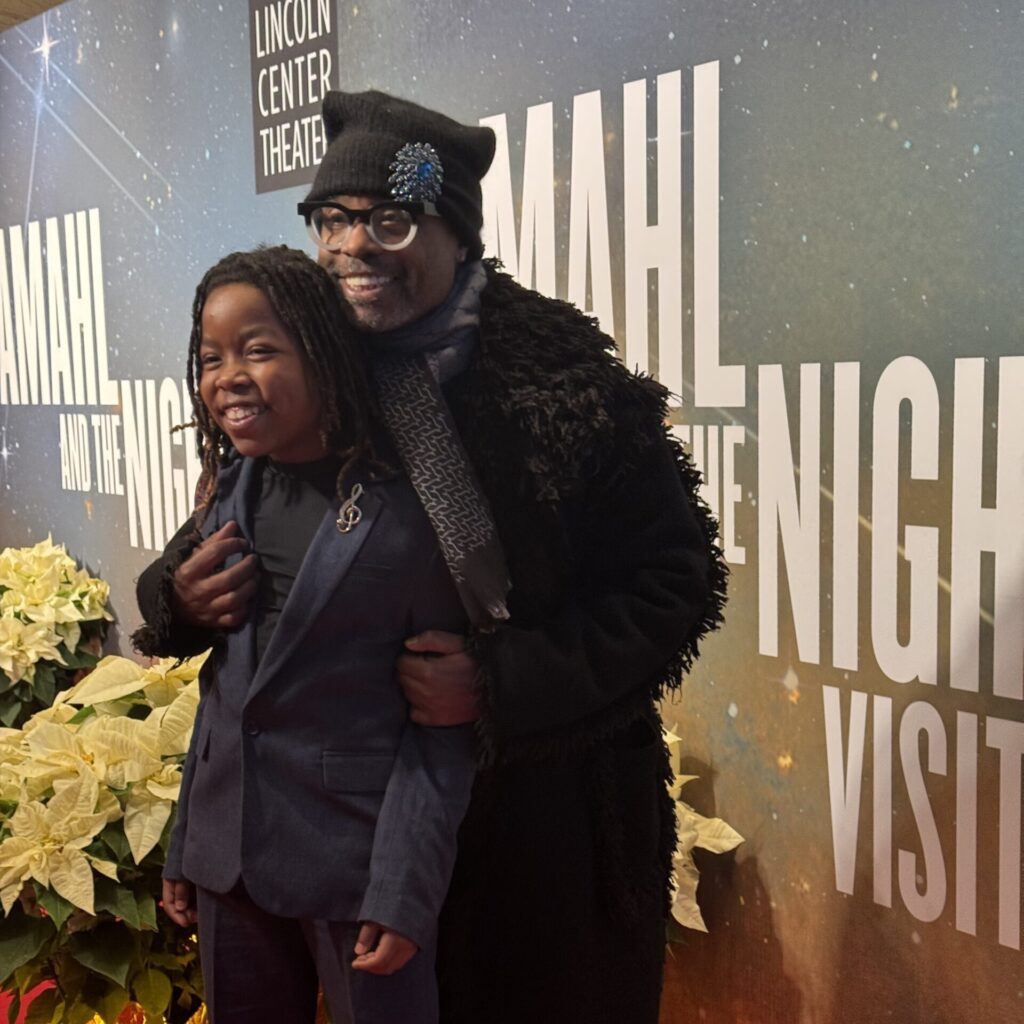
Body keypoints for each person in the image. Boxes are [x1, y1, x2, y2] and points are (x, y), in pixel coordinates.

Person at [138, 91, 727, 1024]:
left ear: (455, 231)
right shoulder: (306, 360)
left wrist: (501, 683)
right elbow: (220, 521)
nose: (353, 246)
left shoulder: (558, 380)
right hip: (356, 843)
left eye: (389, 219)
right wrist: (177, 594)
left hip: (536, 830)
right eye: (331, 220)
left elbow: (673, 583)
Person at [134, 245, 476, 1024]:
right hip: (230, 869)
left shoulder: (411, 513)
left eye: (259, 350)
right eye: (211, 356)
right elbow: (227, 697)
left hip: (358, 876)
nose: (228, 377)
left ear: (322, 352)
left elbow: (441, 728)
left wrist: (403, 885)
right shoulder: (226, 495)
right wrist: (192, 840)